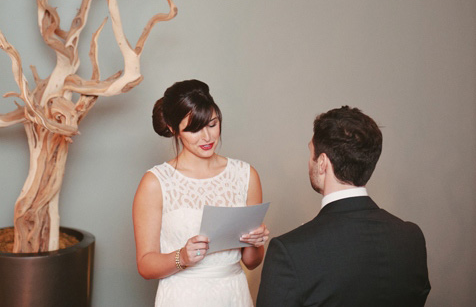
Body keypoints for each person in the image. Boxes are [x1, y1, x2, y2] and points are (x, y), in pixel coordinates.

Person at [256, 106, 431, 307]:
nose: (309, 162)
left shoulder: (290, 251)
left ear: (322, 163)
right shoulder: (411, 237)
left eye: (311, 153)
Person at [133, 79, 269, 307]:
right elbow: (145, 265)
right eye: (194, 129)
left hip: (233, 294)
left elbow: (251, 262)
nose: (207, 137)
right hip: (181, 296)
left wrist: (256, 242)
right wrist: (182, 257)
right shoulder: (155, 182)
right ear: (173, 129)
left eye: (212, 124)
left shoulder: (246, 175)